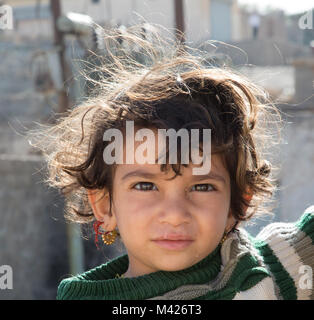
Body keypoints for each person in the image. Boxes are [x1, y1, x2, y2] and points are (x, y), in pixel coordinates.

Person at [31, 24, 314, 300]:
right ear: (105, 205)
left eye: (202, 187)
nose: (175, 214)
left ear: (237, 204)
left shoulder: (274, 271)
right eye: (145, 185)